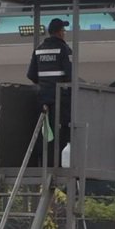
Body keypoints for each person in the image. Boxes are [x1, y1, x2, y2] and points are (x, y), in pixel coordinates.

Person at [26, 17, 73, 156]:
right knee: (64, 129)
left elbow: (31, 75)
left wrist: (44, 84)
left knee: (45, 131)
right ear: (59, 32)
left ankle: (44, 161)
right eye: (63, 30)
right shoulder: (64, 49)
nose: (64, 33)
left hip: (43, 99)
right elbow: (70, 75)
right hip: (61, 99)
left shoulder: (39, 49)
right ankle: (59, 162)